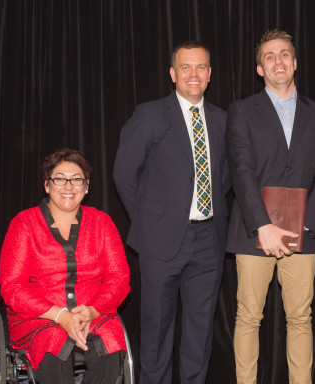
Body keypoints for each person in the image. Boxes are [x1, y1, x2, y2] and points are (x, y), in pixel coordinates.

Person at [113, 41, 230, 384]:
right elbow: (124, 173)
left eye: (201, 67)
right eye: (185, 67)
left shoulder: (223, 120)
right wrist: (150, 221)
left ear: (209, 74)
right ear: (172, 74)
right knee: (157, 334)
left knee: (199, 334)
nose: (193, 74)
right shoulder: (150, 114)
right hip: (160, 244)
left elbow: (224, 177)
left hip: (209, 241)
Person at [226, 29, 315, 384]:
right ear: (260, 68)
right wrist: (262, 225)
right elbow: (240, 172)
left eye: (284, 54)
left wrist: (306, 223)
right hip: (253, 232)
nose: (278, 61)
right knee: (248, 317)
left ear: (295, 62)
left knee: (300, 318)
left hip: (302, 232)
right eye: (269, 56)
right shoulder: (241, 111)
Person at [0, 148, 130, 384]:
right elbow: (12, 287)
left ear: (86, 186)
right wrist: (60, 316)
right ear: (47, 185)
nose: (68, 186)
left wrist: (91, 310)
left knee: (110, 342)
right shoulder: (24, 224)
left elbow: (119, 278)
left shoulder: (102, 223)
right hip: (40, 318)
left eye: (76, 179)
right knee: (53, 344)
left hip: (93, 313)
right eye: (60, 179)